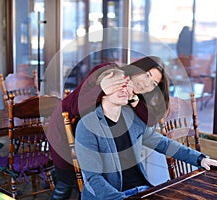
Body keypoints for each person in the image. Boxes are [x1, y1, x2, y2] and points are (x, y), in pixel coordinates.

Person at [75, 68, 217, 200]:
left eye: (125, 85)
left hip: (143, 190)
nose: (123, 89)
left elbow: (164, 143)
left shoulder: (131, 117)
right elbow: (93, 179)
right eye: (116, 86)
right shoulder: (87, 126)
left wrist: (200, 159)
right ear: (102, 92)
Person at [48, 56, 172, 199]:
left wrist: (134, 100)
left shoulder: (131, 94)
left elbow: (147, 121)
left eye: (153, 83)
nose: (146, 84)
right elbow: (76, 107)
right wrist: (103, 89)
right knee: (69, 183)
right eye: (147, 75)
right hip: (64, 131)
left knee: (92, 184)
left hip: (89, 139)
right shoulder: (107, 71)